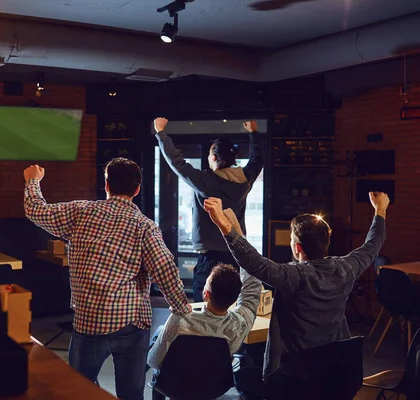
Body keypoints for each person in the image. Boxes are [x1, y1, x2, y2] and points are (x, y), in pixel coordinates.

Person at [23, 158, 191, 400]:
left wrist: (33, 181)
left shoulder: (80, 212)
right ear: (137, 189)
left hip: (88, 322)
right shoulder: (144, 227)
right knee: (131, 394)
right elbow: (164, 270)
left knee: (78, 390)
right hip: (131, 324)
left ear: (107, 185)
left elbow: (35, 211)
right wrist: (181, 308)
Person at [203, 192, 389, 399]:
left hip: (298, 380)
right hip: (338, 373)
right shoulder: (346, 268)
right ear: (326, 241)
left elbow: (253, 262)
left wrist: (223, 225)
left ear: (297, 247)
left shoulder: (293, 276)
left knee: (243, 378)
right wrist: (380, 210)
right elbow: (373, 245)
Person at [153, 118, 264, 301]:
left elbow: (177, 162)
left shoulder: (205, 181)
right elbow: (257, 159)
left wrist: (160, 132)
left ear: (213, 158)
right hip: (237, 253)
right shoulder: (245, 179)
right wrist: (253, 133)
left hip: (209, 256)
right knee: (231, 304)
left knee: (204, 305)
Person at [148, 222, 262, 371]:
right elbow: (251, 290)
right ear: (235, 297)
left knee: (159, 333)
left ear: (206, 293)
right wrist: (240, 237)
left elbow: (154, 361)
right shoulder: (239, 324)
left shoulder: (181, 319)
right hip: (215, 385)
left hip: (176, 386)